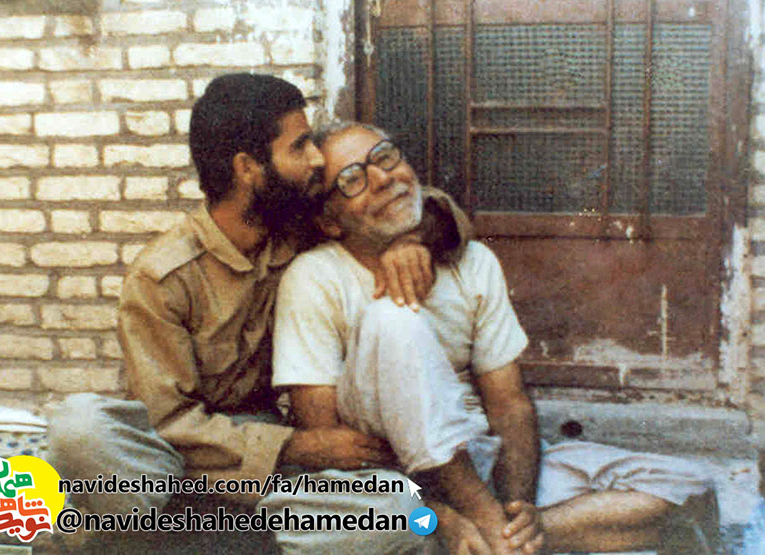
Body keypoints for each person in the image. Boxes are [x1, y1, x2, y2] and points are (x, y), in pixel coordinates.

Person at [48, 74, 472, 553]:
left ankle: (178, 541)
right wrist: (296, 446)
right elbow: (167, 423)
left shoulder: (298, 227)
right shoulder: (162, 278)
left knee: (398, 514)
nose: (317, 160)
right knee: (80, 428)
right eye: (300, 147)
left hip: (269, 475)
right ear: (248, 168)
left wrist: (412, 239)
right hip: (183, 466)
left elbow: (436, 208)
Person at [270, 120, 720, 554]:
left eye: (385, 157)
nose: (383, 178)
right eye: (353, 180)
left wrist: (518, 507)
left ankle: (502, 540)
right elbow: (326, 437)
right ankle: (479, 527)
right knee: (394, 318)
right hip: (387, 474)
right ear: (330, 222)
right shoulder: (314, 278)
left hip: (476, 457)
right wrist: (450, 510)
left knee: (690, 488)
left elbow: (508, 404)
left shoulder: (472, 262)